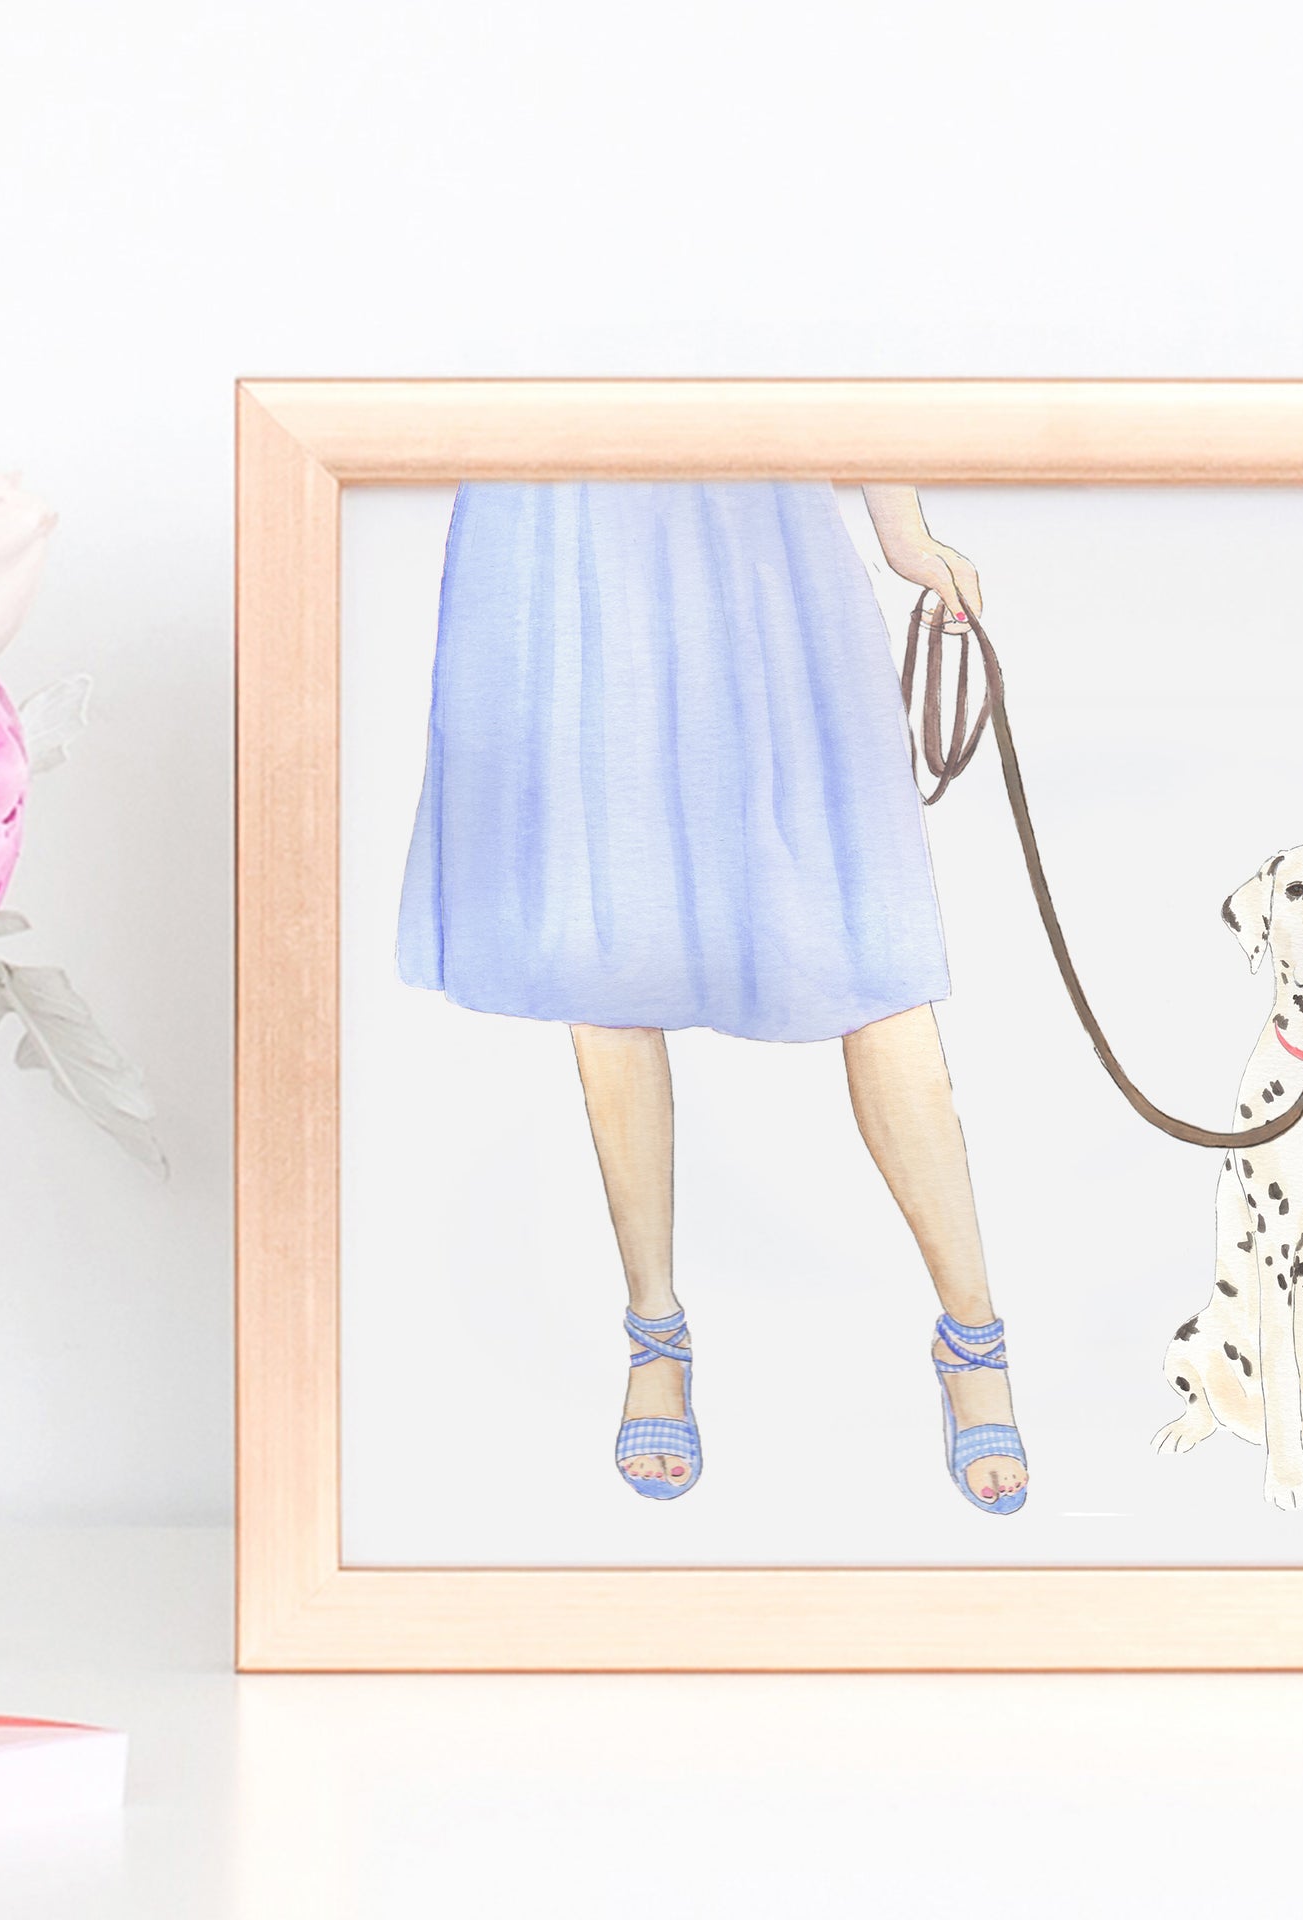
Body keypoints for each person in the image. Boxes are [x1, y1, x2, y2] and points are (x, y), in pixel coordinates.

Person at [397, 480, 1026, 1513]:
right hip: (563, 512)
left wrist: (901, 527)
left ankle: (973, 1332)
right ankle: (655, 1329)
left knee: (869, 948)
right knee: (605, 941)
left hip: (755, 514)